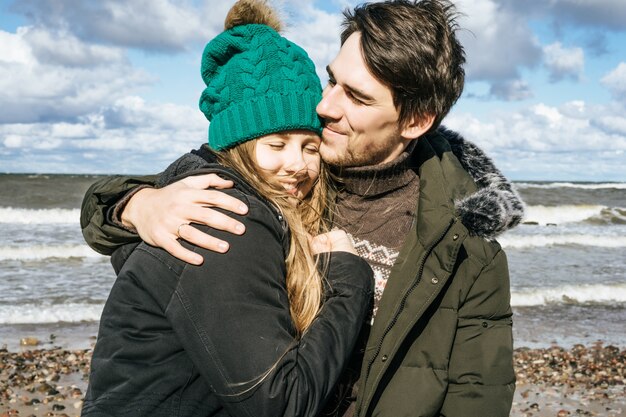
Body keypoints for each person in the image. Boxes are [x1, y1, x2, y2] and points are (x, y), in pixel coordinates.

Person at [81, 0, 525, 416]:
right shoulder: (289, 178)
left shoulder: (467, 249)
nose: (325, 106)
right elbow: (132, 219)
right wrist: (136, 205)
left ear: (415, 120)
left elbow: (477, 395)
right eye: (332, 79)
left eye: (357, 97)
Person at [81, 2, 374, 416]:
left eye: (310, 146)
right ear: (235, 145)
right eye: (276, 144)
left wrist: (130, 203)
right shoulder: (223, 216)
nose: (298, 163)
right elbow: (282, 403)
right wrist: (349, 280)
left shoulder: (204, 189)